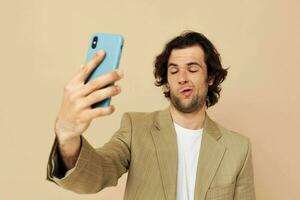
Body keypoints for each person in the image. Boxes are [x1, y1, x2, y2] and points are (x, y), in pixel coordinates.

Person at [46, 31, 256, 200]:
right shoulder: (136, 128)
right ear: (166, 79)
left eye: (192, 69)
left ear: (210, 77)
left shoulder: (238, 148)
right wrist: (68, 135)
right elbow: (98, 173)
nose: (182, 78)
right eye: (174, 71)